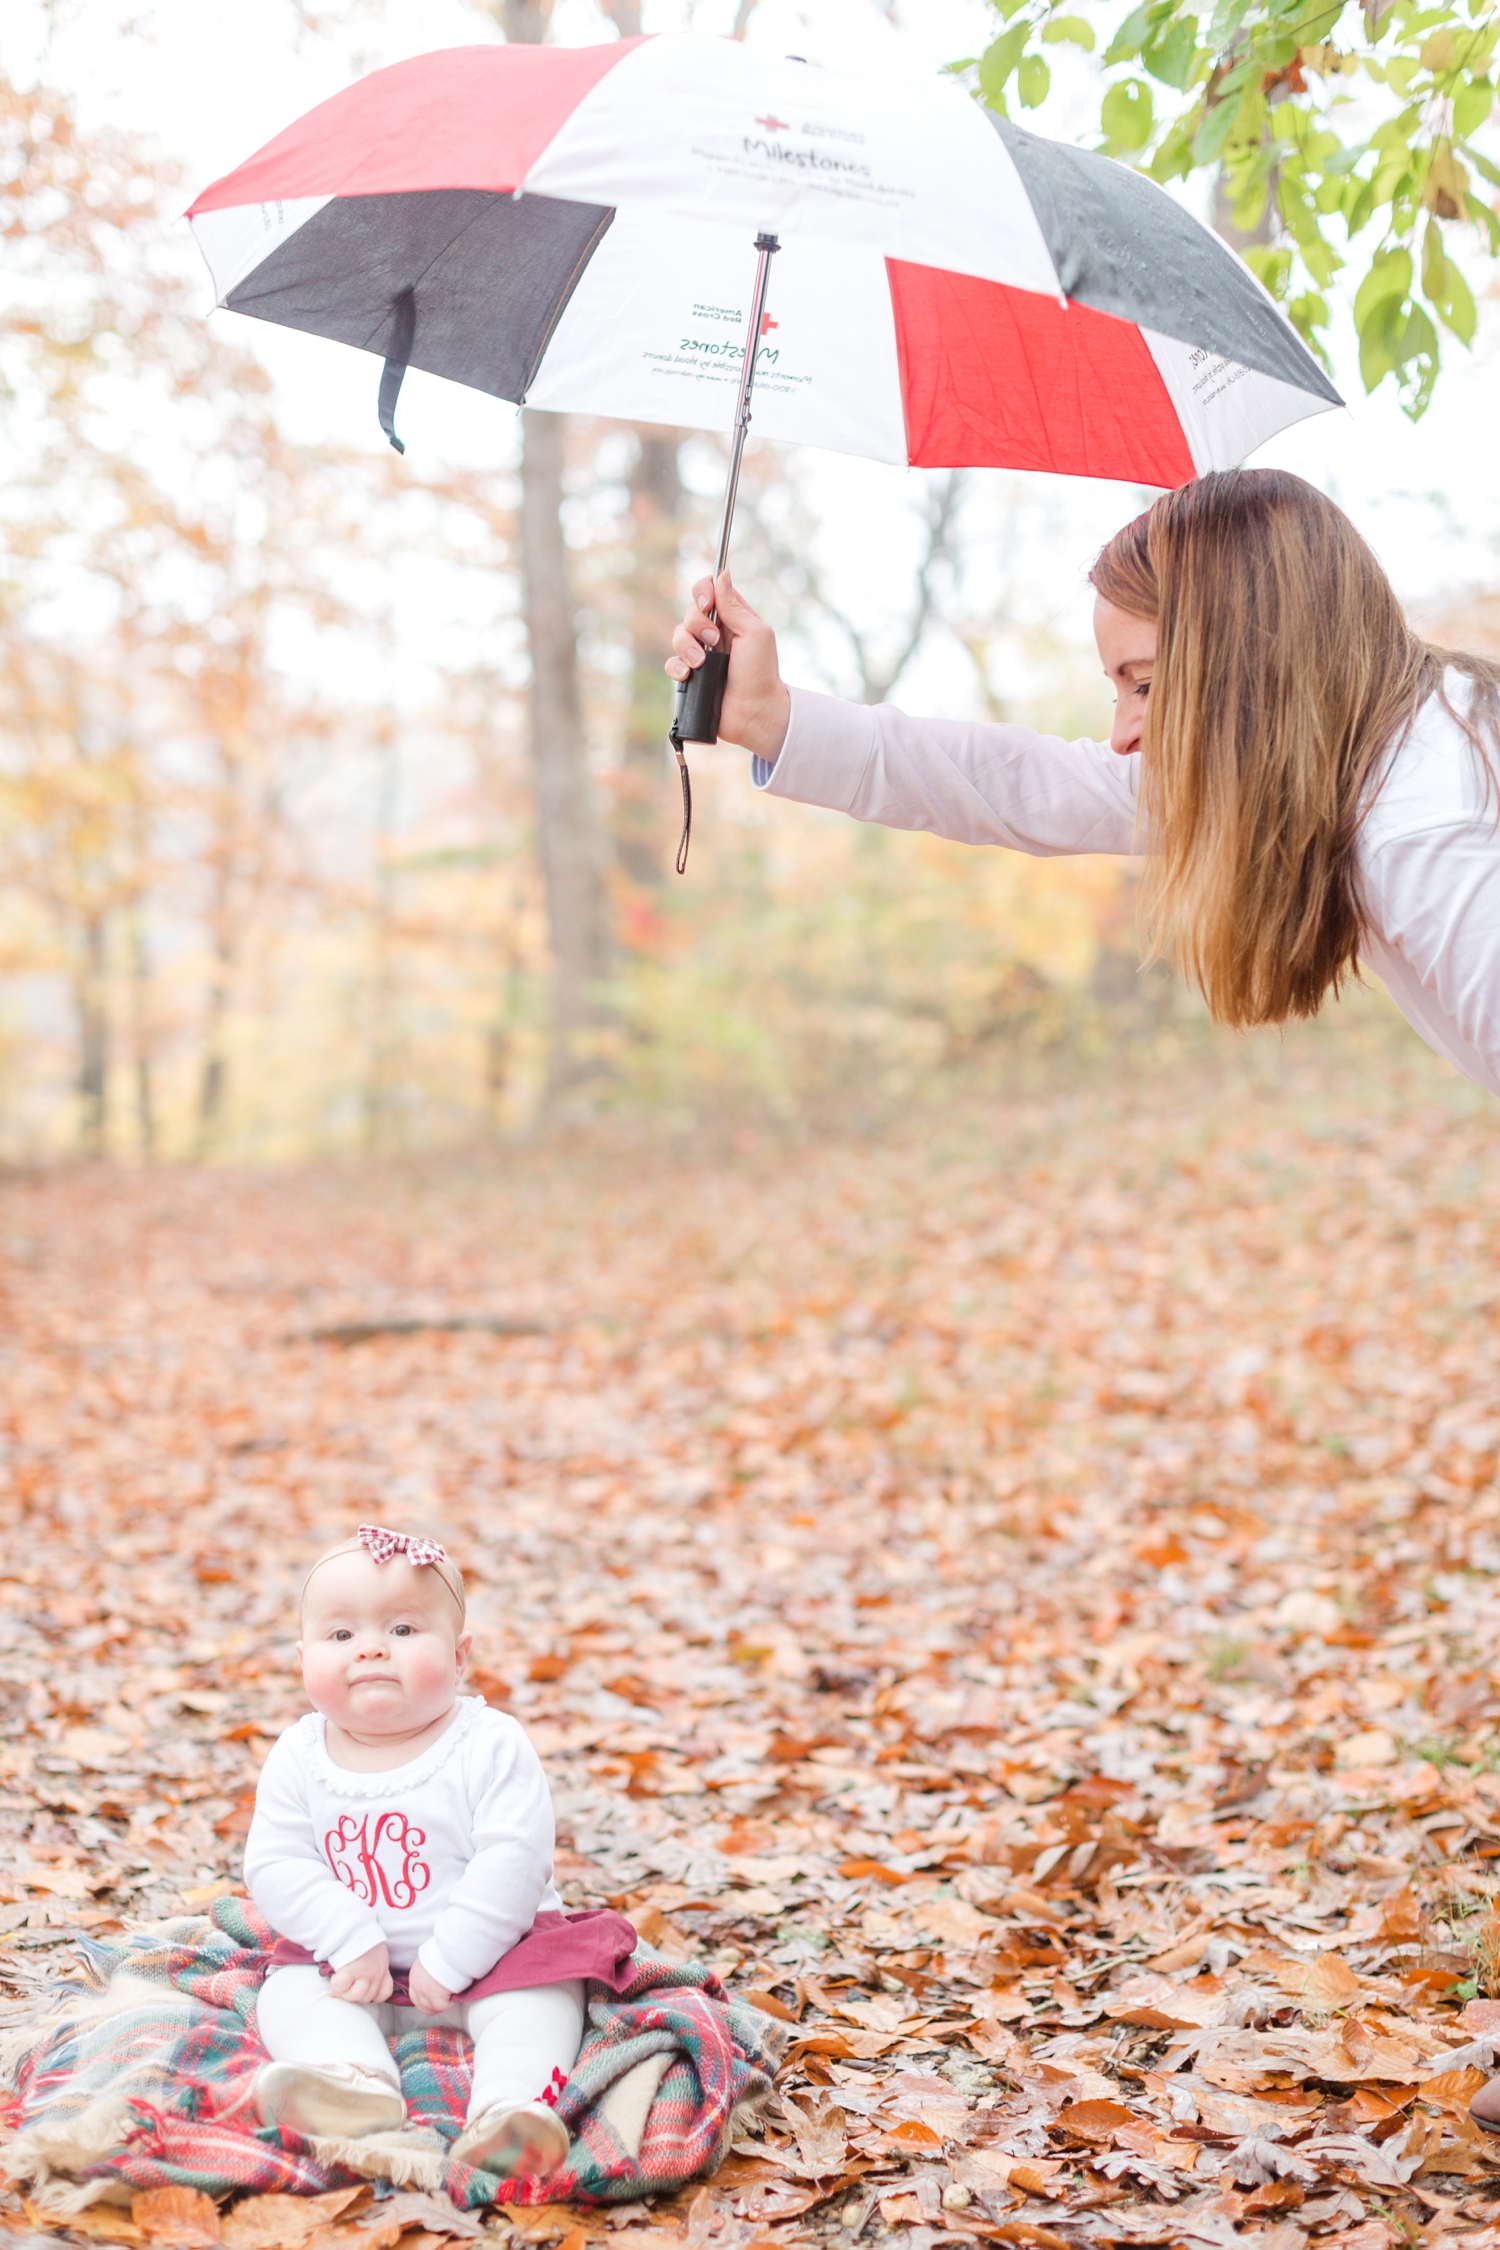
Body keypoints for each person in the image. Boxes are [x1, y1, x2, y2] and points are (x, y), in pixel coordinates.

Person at [667, 469, 1500, 1095]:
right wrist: (772, 719)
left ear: (1253, 660)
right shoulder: (1331, 757)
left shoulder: (1431, 830)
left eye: (1145, 684)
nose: (1122, 733)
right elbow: (1019, 784)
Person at [244, 1524, 609, 2177]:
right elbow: (276, 1863)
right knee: (289, 1994)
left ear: (461, 1654)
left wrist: (453, 1960)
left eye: (404, 1631)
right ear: (304, 1657)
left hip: (495, 1956)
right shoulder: (298, 1755)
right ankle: (349, 2080)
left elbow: (513, 1863)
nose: (371, 1650)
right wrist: (348, 1937)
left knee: (543, 2001)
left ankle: (511, 2109)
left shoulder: (489, 1744)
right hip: (355, 1966)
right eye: (340, 1635)